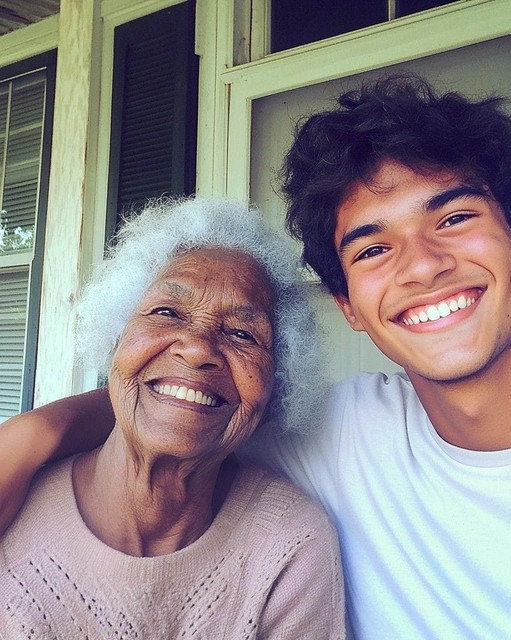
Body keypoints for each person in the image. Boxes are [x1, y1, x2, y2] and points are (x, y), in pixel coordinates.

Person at [2, 77, 511, 638]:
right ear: (349, 307)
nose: (421, 265)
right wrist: (30, 435)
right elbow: (179, 402)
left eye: (453, 218)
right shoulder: (342, 432)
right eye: (372, 250)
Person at [0, 198, 345, 639]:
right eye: (167, 313)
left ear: (277, 383)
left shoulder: (290, 545)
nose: (198, 348)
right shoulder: (13, 500)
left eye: (243, 334)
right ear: (117, 340)